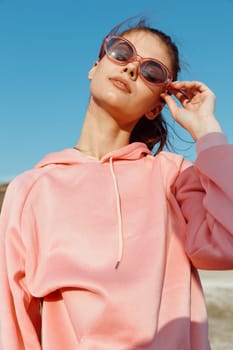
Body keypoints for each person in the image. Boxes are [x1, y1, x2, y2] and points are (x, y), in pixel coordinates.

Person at [0, 16, 233, 350]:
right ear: (95, 66)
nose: (131, 69)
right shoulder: (31, 190)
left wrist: (207, 130)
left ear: (157, 107)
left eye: (152, 71)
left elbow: (228, 244)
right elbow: (13, 325)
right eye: (122, 52)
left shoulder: (173, 176)